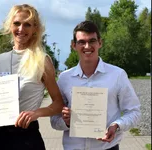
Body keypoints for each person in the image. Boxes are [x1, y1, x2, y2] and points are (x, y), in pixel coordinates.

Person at [0, 4, 64, 150]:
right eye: (17, 23)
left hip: (28, 138)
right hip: (1, 138)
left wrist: (36, 113)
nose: (21, 29)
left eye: (27, 24)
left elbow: (58, 104)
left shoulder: (42, 60)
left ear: (35, 29)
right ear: (10, 26)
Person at [50, 20, 141, 150]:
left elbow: (134, 112)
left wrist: (116, 125)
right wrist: (67, 122)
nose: (87, 46)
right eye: (82, 42)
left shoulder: (117, 75)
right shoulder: (64, 78)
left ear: (100, 43)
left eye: (92, 41)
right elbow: (54, 121)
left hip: (107, 147)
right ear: (73, 45)